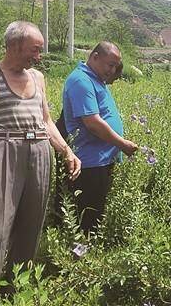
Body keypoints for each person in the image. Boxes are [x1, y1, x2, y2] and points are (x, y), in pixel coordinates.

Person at [0, 21, 81, 292]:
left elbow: (46, 121)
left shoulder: (37, 77)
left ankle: (14, 287)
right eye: (34, 50)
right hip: (3, 151)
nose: (39, 56)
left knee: (31, 225)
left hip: (39, 152)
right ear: (13, 46)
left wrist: (66, 150)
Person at [62, 42, 138, 235]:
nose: (112, 70)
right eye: (109, 65)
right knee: (86, 216)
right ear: (94, 57)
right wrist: (122, 144)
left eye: (115, 66)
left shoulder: (95, 80)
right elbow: (93, 123)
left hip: (101, 160)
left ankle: (85, 252)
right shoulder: (81, 81)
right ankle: (79, 255)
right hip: (89, 163)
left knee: (95, 213)